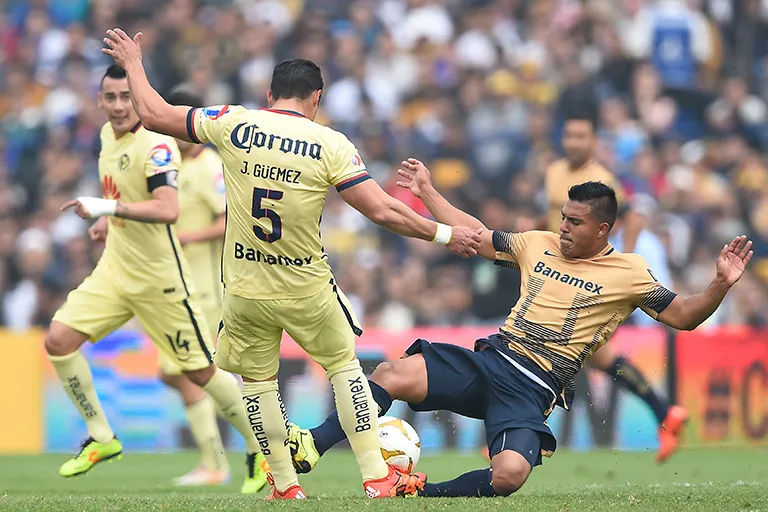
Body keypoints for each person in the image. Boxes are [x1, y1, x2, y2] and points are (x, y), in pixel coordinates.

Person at [102, 29, 482, 500]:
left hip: (243, 289)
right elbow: (383, 210)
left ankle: (285, 486)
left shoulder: (233, 122)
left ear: (269, 94)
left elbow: (155, 115)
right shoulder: (330, 143)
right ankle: (376, 476)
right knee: (344, 368)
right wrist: (444, 233)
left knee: (258, 384)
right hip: (305, 286)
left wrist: (135, 61)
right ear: (316, 99)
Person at [286, 161, 752, 498]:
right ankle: (311, 445)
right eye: (563, 218)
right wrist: (428, 193)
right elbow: (476, 233)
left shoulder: (630, 273)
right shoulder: (538, 244)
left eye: (575, 222)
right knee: (391, 373)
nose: (564, 228)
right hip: (491, 359)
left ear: (603, 229)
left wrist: (719, 284)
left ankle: (414, 492)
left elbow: (684, 315)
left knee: (509, 474)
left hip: (532, 389)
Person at [47, 65, 270, 486]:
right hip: (115, 271)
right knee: (58, 341)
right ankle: (101, 436)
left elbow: (167, 210)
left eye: (126, 97)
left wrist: (108, 210)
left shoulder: (158, 147)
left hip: (164, 282)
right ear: (98, 100)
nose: (117, 106)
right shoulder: (105, 138)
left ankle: (261, 449)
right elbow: (123, 198)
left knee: (201, 372)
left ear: (140, 100)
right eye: (109, 97)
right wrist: (108, 222)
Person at [545, 113, 687, 463]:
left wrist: (622, 264)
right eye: (570, 135)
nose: (574, 142)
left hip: (582, 278)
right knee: (599, 357)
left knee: (551, 344)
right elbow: (553, 220)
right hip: (554, 269)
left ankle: (522, 427)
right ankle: (664, 412)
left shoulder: (602, 179)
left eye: (582, 136)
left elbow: (634, 214)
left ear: (594, 142)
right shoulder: (553, 172)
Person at [146, 88, 268, 492]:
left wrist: (187, 237)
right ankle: (219, 458)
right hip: (172, 287)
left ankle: (252, 450)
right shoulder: (174, 166)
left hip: (202, 291)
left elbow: (231, 218)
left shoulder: (211, 166)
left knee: (202, 372)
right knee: (178, 375)